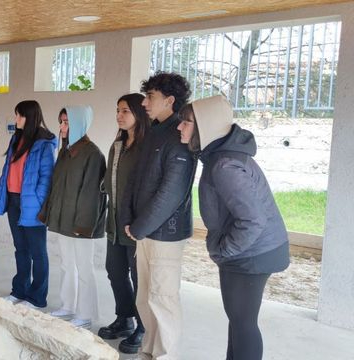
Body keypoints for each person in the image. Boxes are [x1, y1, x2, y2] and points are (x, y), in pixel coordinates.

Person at [178, 95, 289, 360]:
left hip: (252, 254)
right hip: (251, 251)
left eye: (186, 122)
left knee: (243, 324)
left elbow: (252, 220)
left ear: (206, 125)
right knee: (239, 322)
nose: (179, 127)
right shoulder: (219, 157)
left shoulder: (224, 165)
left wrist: (224, 250)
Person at [120, 72, 195, 360]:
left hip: (165, 232)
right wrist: (129, 218)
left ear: (170, 100)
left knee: (163, 298)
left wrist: (139, 226)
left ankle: (165, 355)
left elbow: (171, 193)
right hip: (144, 230)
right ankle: (149, 351)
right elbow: (135, 179)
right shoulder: (153, 130)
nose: (145, 102)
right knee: (145, 296)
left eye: (150, 96)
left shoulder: (178, 135)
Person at [39, 105, 107, 329]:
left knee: (85, 268)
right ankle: (68, 306)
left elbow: (92, 195)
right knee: (67, 265)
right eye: (61, 121)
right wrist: (49, 213)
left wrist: (84, 225)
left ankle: (85, 314)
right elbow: (56, 187)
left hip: (81, 224)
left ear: (79, 123)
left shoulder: (93, 154)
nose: (61, 126)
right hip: (63, 219)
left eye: (66, 122)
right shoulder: (65, 151)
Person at [99, 93, 150, 354]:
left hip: (136, 226)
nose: (119, 116)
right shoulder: (117, 145)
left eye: (125, 111)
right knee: (115, 270)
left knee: (139, 277)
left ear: (139, 114)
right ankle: (125, 318)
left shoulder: (146, 147)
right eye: (117, 111)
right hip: (114, 222)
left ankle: (143, 327)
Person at [0, 100, 57, 309]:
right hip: (14, 201)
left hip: (32, 204)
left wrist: (38, 202)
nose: (16, 119)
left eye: (19, 115)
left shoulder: (44, 143)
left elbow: (47, 178)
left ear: (30, 117)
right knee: (20, 249)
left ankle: (37, 297)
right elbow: (8, 170)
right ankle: (20, 290)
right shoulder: (17, 138)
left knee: (37, 252)